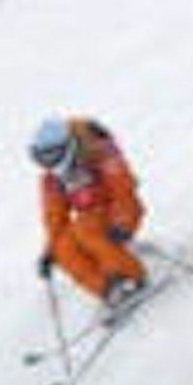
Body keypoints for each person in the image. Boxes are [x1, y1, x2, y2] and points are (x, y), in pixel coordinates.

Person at [30, 115, 148, 305]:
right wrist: (50, 250)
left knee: (85, 229)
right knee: (64, 245)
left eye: (53, 156)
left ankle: (130, 277)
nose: (50, 163)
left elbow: (123, 189)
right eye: (43, 159)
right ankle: (108, 289)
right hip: (91, 216)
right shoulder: (53, 178)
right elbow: (54, 217)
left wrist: (123, 222)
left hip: (119, 210)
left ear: (67, 145)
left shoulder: (98, 152)